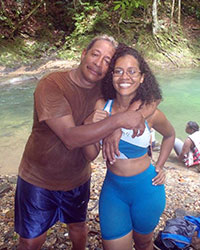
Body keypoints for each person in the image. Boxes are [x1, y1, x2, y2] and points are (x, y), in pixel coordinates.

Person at [14, 35, 147, 250]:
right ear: (84, 54)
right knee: (31, 241)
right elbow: (69, 138)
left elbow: (149, 94)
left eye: (107, 60)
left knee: (78, 228)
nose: (98, 63)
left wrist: (117, 127)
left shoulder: (106, 91)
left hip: (78, 177)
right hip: (39, 178)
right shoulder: (52, 84)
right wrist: (118, 121)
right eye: (95, 54)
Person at [83, 44, 175, 250]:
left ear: (142, 77)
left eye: (132, 71)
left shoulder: (150, 112)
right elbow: (90, 155)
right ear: (111, 76)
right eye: (118, 71)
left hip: (147, 189)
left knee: (144, 243)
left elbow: (170, 135)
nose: (125, 77)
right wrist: (90, 126)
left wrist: (161, 166)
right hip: (113, 191)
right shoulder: (101, 106)